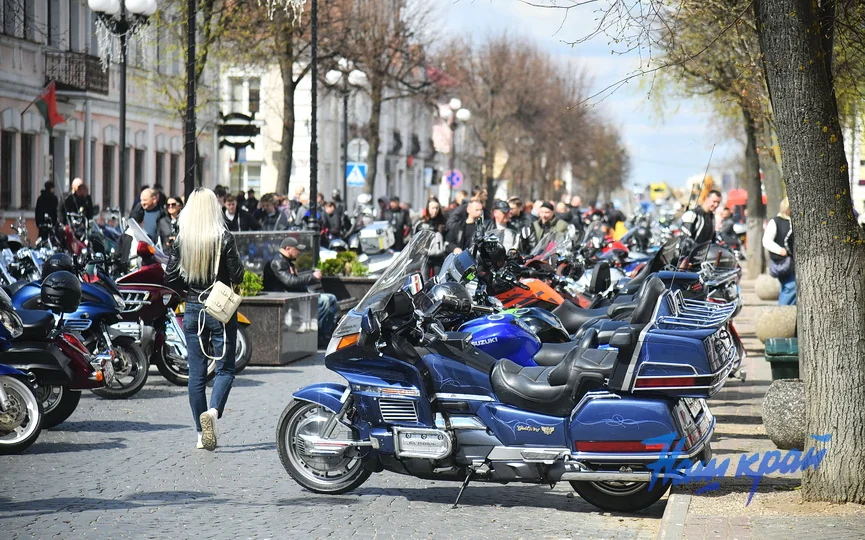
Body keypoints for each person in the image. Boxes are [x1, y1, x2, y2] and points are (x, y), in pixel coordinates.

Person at [165, 188, 244, 451]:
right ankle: (213, 412)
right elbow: (238, 275)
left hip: (192, 309)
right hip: (219, 309)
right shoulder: (223, 237)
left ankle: (200, 434)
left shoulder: (182, 240)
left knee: (196, 375)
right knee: (226, 369)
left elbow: (171, 278)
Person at [262, 237, 338, 348]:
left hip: (294, 295)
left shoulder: (287, 261)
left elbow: (294, 280)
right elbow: (290, 282)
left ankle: (322, 333)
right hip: (284, 297)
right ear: (288, 249)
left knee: (331, 299)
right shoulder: (277, 262)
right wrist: (312, 277)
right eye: (296, 249)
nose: (299, 252)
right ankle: (318, 335)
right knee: (326, 300)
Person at [763, 197, 796, 305]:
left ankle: (785, 311)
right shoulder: (776, 221)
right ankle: (781, 311)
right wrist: (779, 250)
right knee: (791, 286)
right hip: (782, 262)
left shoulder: (793, 221)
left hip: (792, 263)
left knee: (788, 287)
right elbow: (766, 241)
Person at [414, 197, 448, 275]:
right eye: (433, 208)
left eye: (437, 208)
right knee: (424, 282)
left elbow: (447, 238)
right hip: (424, 257)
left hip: (439, 257)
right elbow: (414, 240)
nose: (435, 210)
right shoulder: (421, 222)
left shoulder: (443, 222)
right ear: (428, 208)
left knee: (438, 282)